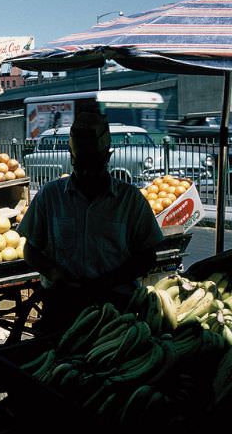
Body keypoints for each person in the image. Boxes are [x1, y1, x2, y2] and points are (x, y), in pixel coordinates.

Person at [18, 112, 163, 333]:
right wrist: (55, 273)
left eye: (94, 166)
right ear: (71, 157)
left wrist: (109, 281)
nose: (86, 173)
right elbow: (31, 249)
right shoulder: (50, 196)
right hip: (62, 303)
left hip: (115, 306)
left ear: (107, 157)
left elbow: (147, 255)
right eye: (80, 165)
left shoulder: (130, 199)